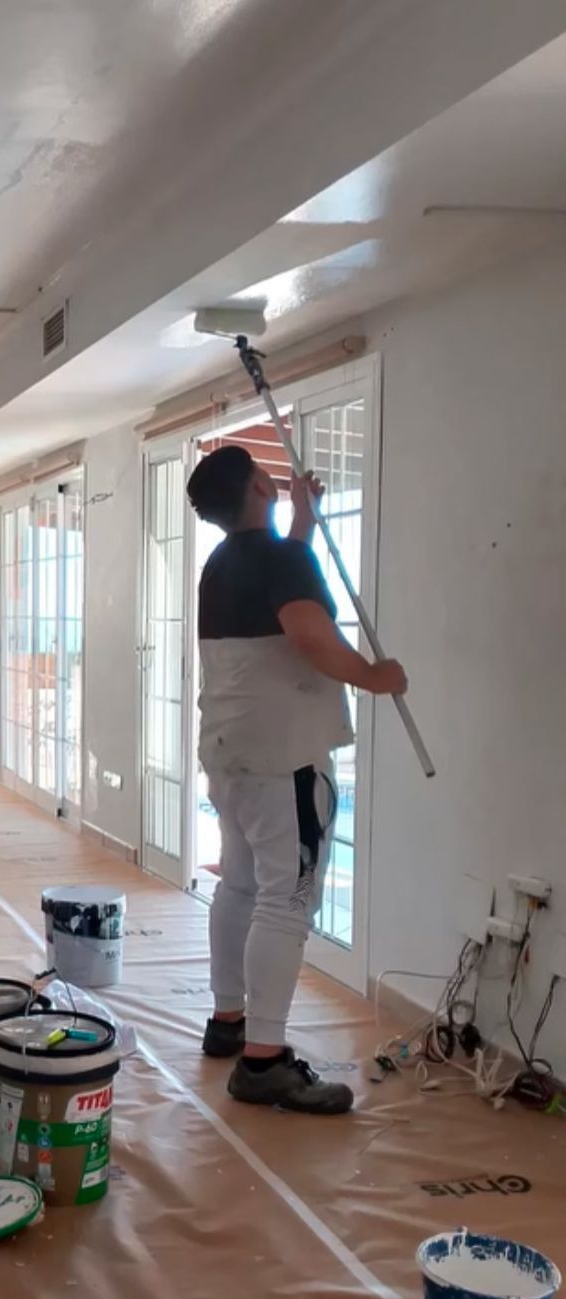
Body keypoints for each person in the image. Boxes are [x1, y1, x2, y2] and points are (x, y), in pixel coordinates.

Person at [185, 443, 407, 1114]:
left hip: (231, 754)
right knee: (286, 901)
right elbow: (308, 632)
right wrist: (374, 677)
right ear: (259, 486)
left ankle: (228, 1019)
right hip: (284, 762)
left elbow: (279, 581)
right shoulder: (281, 560)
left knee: (241, 885)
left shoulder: (223, 563)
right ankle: (264, 1060)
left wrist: (303, 520)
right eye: (266, 475)